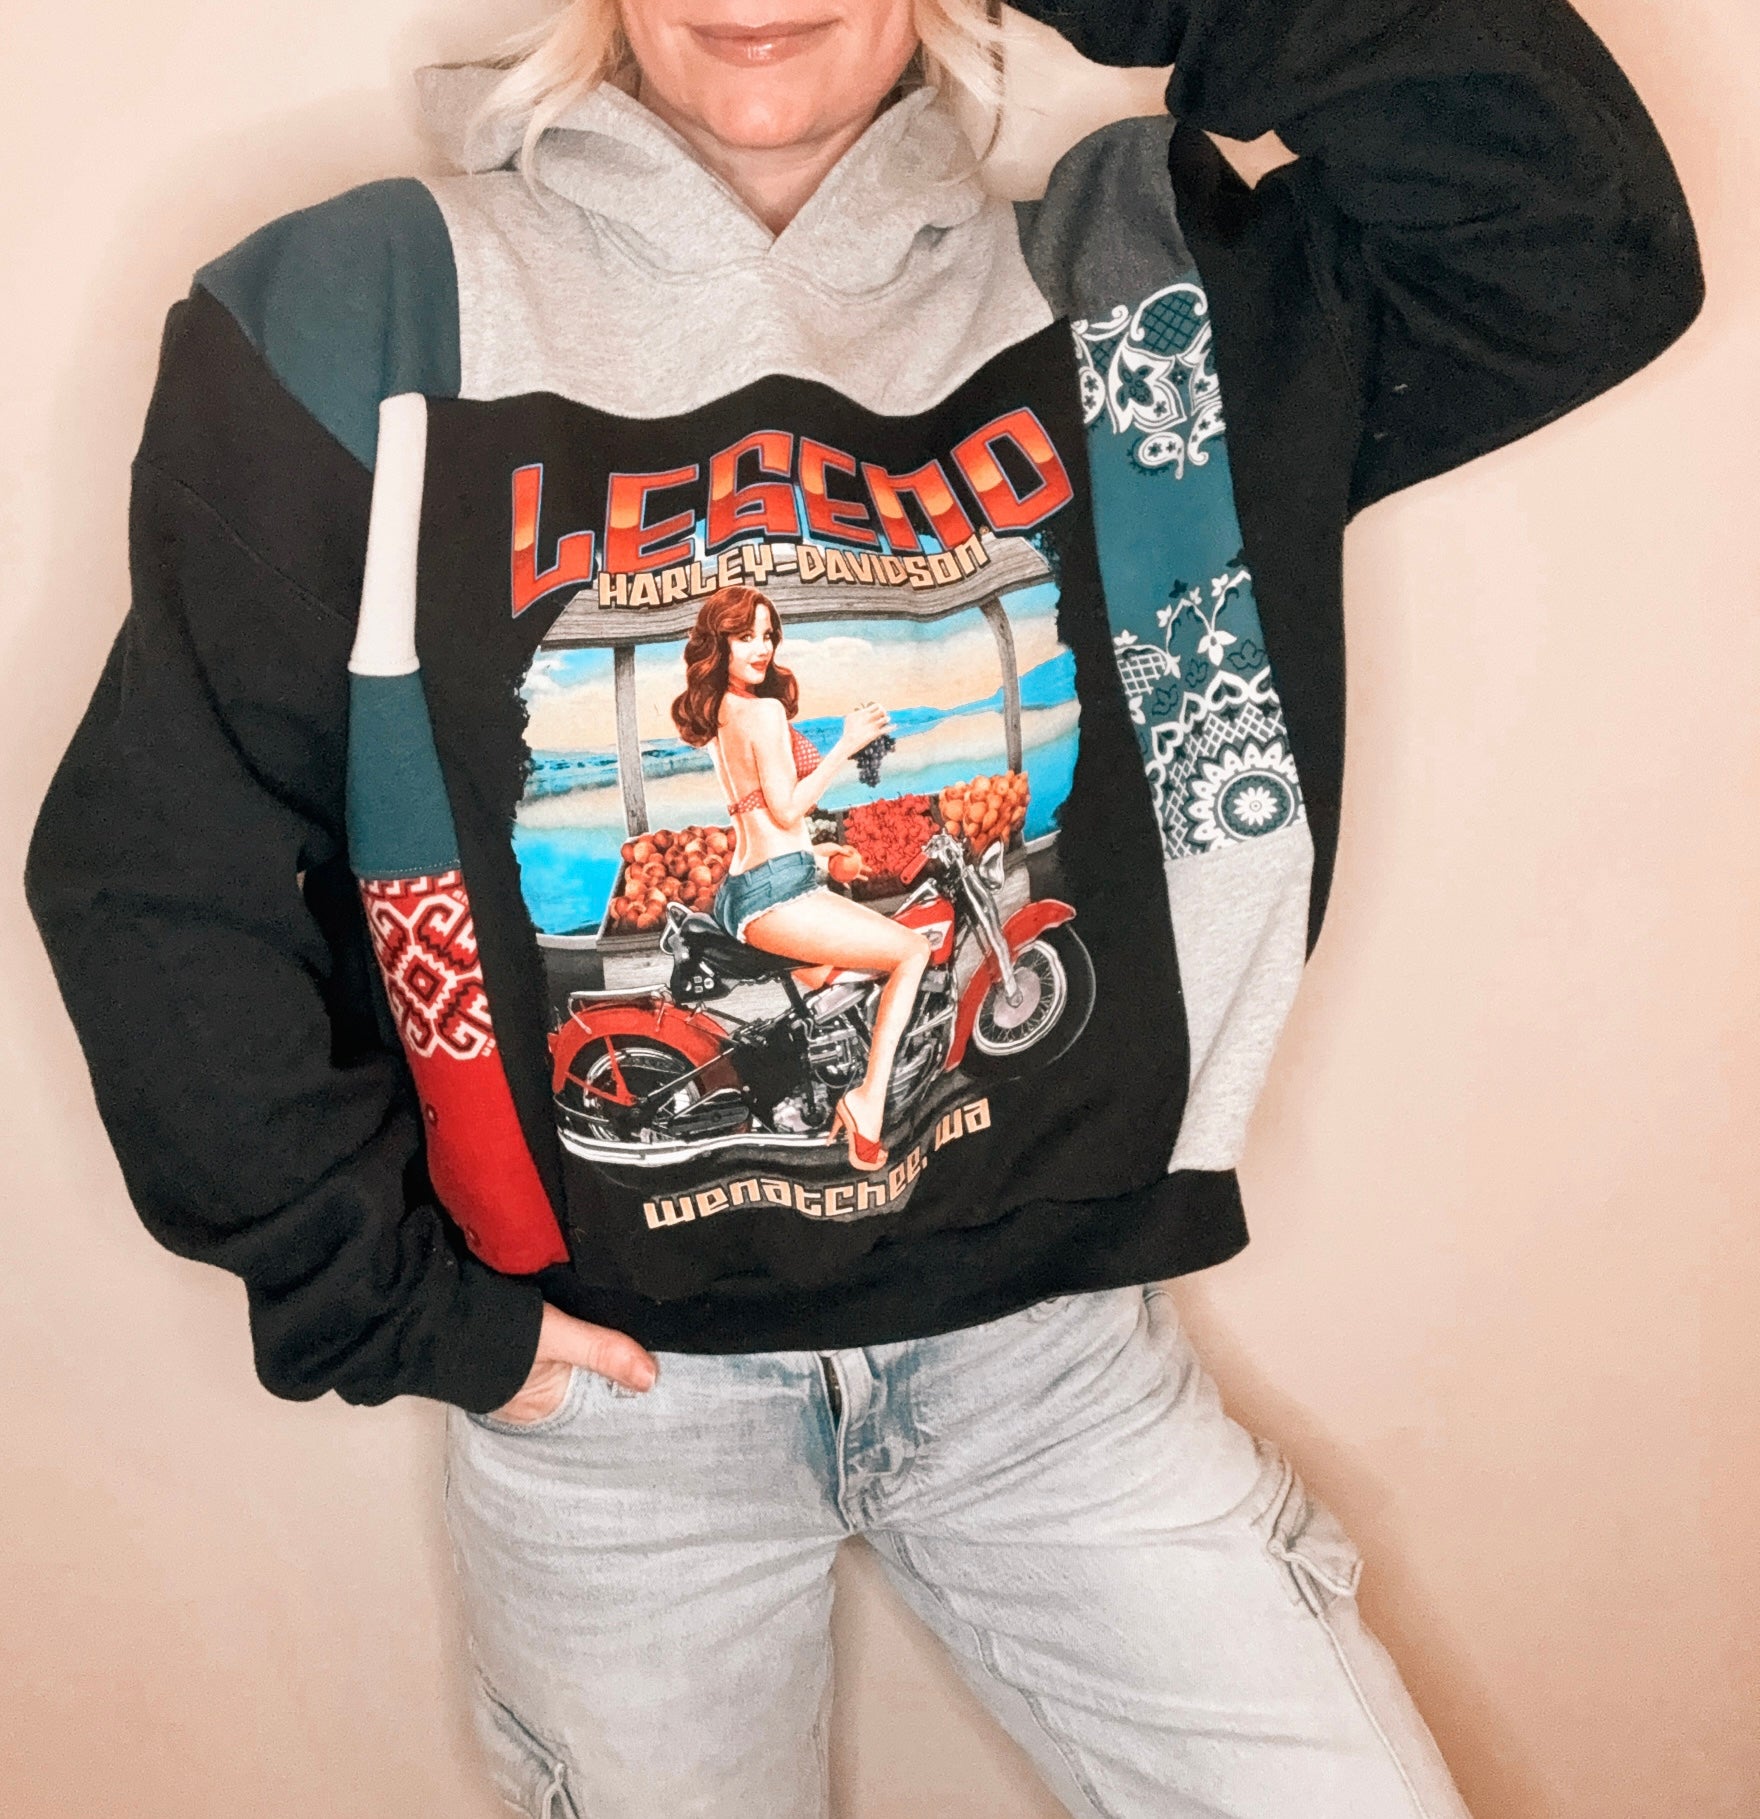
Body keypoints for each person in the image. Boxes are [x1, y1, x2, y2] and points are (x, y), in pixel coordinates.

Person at [23, 0, 1701, 1814]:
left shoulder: (1141, 301)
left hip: (1054, 1372)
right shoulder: (360, 317)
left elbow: (1578, 240)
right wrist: (412, 1317)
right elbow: (158, 868)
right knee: (897, 947)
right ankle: (848, 1100)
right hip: (621, 1423)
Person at [670, 583, 927, 1171]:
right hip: (776, 894)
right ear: (719, 643)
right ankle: (866, 1102)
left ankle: (817, 1084)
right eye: (745, 636)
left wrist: (817, 853)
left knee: (842, 984)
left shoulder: (720, 711)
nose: (761, 647)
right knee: (911, 952)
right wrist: (846, 745)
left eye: (768, 635)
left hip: (744, 889)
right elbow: (786, 811)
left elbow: (758, 814)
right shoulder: (761, 712)